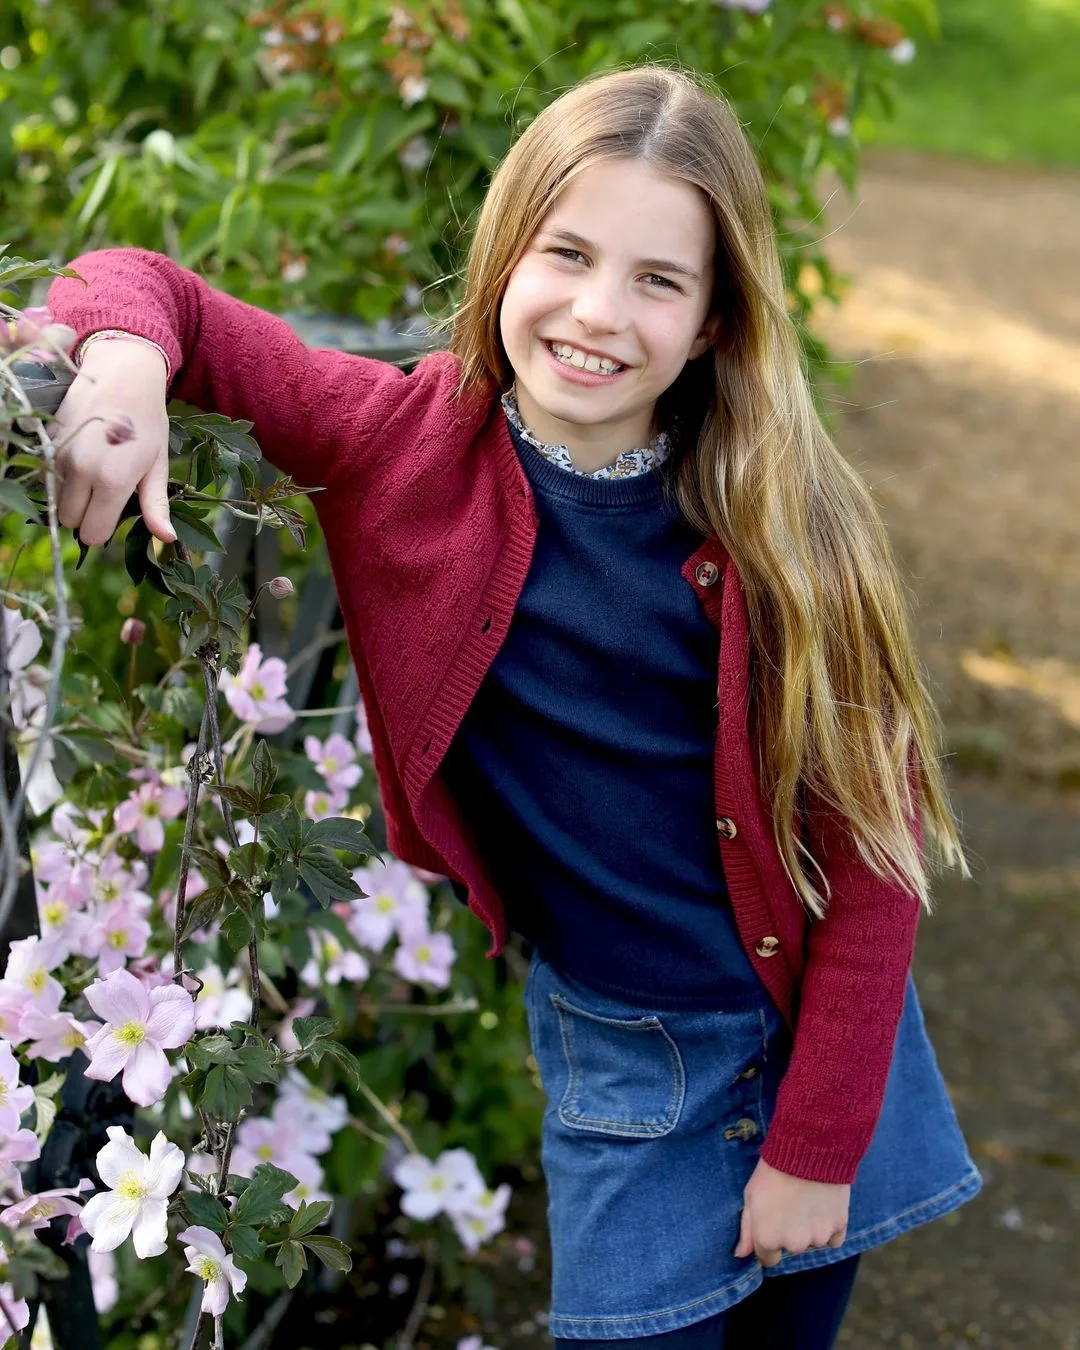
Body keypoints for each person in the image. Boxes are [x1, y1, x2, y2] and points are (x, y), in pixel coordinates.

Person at [46, 63, 981, 1349]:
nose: (600, 313)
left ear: (714, 321)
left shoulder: (785, 527)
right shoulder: (398, 445)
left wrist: (818, 1142)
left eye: (659, 280)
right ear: (505, 255)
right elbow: (148, 284)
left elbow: (875, 857)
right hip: (624, 1066)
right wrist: (121, 368)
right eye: (569, 254)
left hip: (826, 1040)